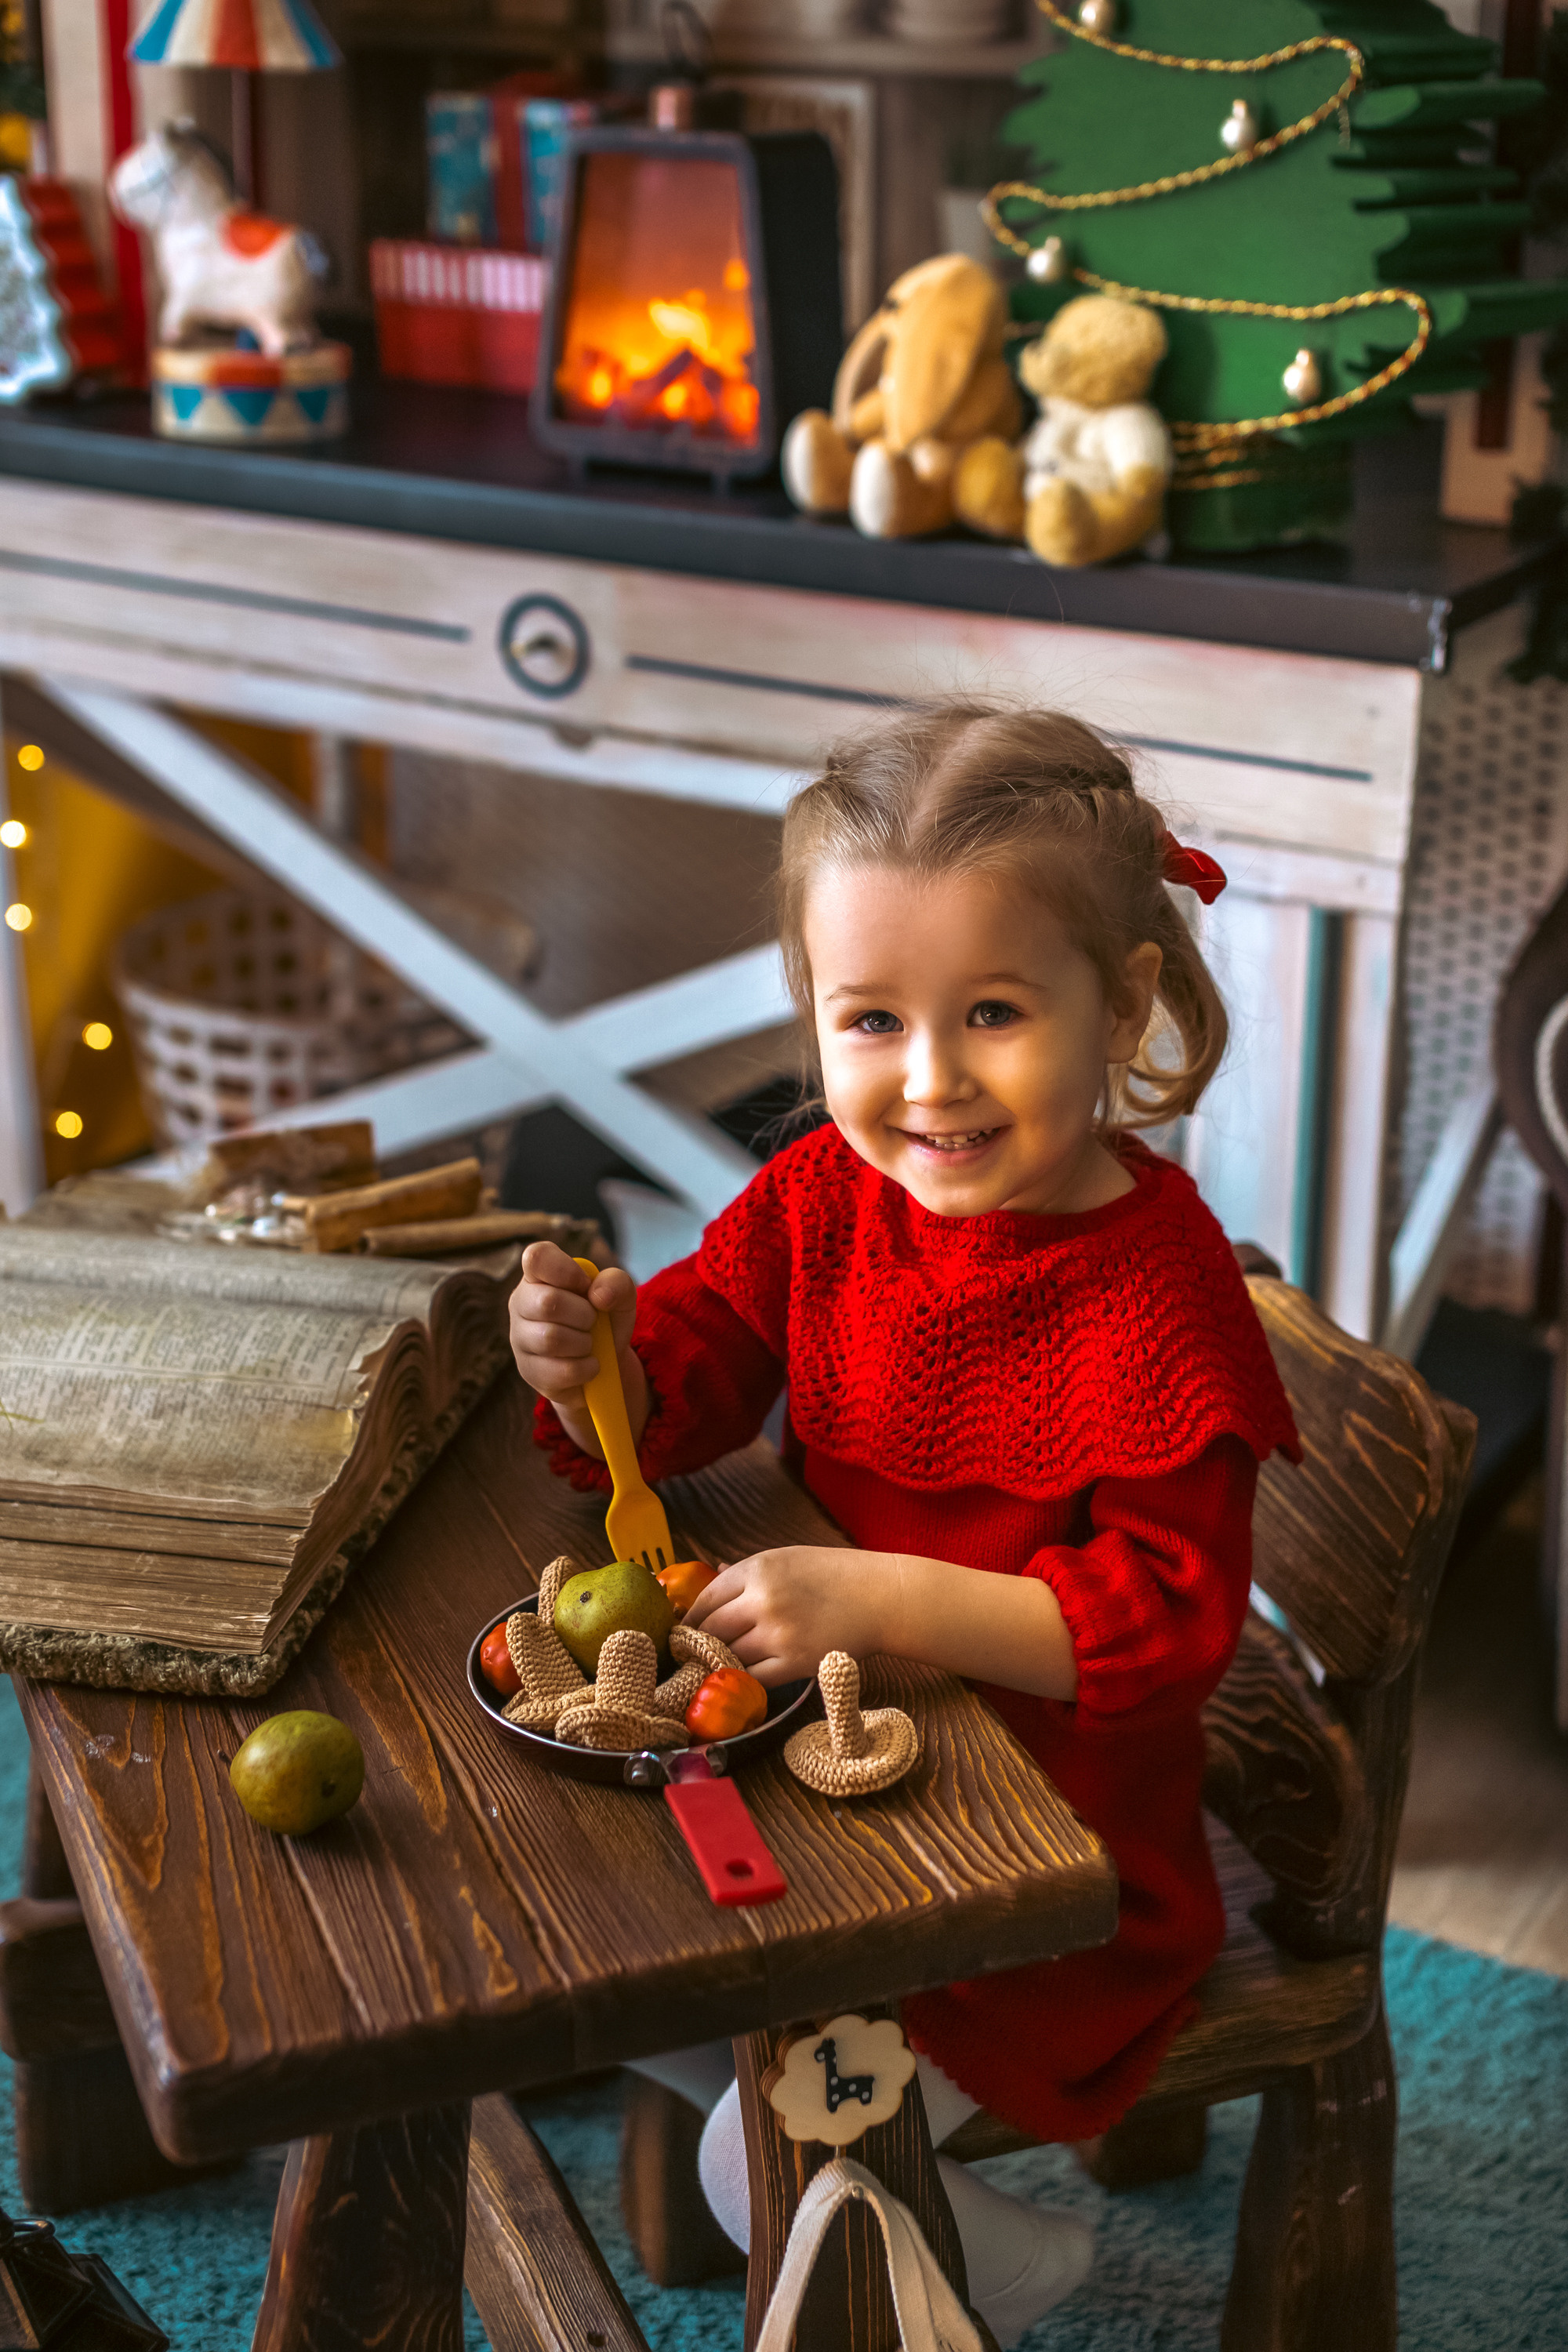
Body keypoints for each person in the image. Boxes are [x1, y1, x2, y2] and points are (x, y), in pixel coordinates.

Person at [509, 702, 1299, 2347]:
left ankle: (1025, 2278)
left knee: (762, 2165)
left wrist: (872, 1598)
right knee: (554, 1959)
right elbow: (695, 1372)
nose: (929, 1080)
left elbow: (1161, 1627)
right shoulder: (823, 1198)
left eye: (994, 1013)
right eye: (871, 1020)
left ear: (1123, 1004)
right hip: (835, 1793)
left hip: (1047, 1878)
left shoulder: (1159, 1306)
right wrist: (599, 1365)